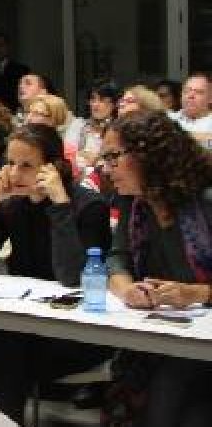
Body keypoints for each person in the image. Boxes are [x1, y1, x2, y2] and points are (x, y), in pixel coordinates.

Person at [0, 124, 112, 423]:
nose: (15, 174)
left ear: (54, 168)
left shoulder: (88, 206)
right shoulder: (14, 205)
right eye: (10, 164)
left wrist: (59, 206)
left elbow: (72, 276)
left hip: (77, 330)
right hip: (23, 323)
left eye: (26, 166)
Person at [102, 111, 212, 427]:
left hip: (200, 344)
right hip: (163, 338)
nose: (107, 169)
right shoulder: (135, 202)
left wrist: (196, 293)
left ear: (147, 155)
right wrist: (127, 290)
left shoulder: (204, 202)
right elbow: (116, 259)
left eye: (114, 157)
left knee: (172, 394)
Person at [169, 73, 212, 139]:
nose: (190, 95)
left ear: (210, 98)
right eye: (186, 91)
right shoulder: (170, 118)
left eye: (198, 92)